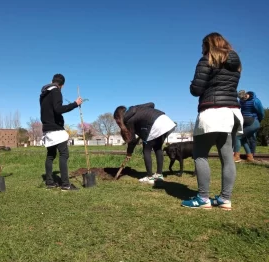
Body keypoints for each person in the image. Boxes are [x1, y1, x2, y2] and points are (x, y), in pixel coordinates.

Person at [181, 32, 243, 210]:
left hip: (212, 112)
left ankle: (203, 198)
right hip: (232, 112)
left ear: (208, 44)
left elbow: (196, 89)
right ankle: (225, 199)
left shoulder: (207, 59)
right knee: (227, 158)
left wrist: (192, 84)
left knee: (200, 155)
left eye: (203, 45)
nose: (202, 49)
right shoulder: (236, 63)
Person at [113, 103, 176, 184]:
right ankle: (159, 175)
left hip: (154, 124)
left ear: (118, 117)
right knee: (158, 148)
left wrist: (129, 152)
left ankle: (150, 178)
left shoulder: (127, 120)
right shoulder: (136, 108)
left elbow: (132, 140)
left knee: (146, 149)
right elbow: (152, 104)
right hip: (166, 121)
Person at [40, 74, 83, 191]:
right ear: (62, 85)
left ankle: (49, 182)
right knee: (64, 154)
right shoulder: (56, 91)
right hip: (56, 128)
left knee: (50, 155)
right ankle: (65, 184)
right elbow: (58, 109)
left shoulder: (44, 94)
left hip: (47, 128)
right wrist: (75, 104)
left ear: (52, 81)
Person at [233, 90, 264, 162]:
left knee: (238, 136)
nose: (242, 101)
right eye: (241, 100)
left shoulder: (256, 101)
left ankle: (237, 156)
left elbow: (261, 113)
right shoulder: (241, 101)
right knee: (243, 139)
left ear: (246, 95)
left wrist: (258, 120)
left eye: (243, 99)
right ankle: (249, 157)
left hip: (253, 122)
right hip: (245, 122)